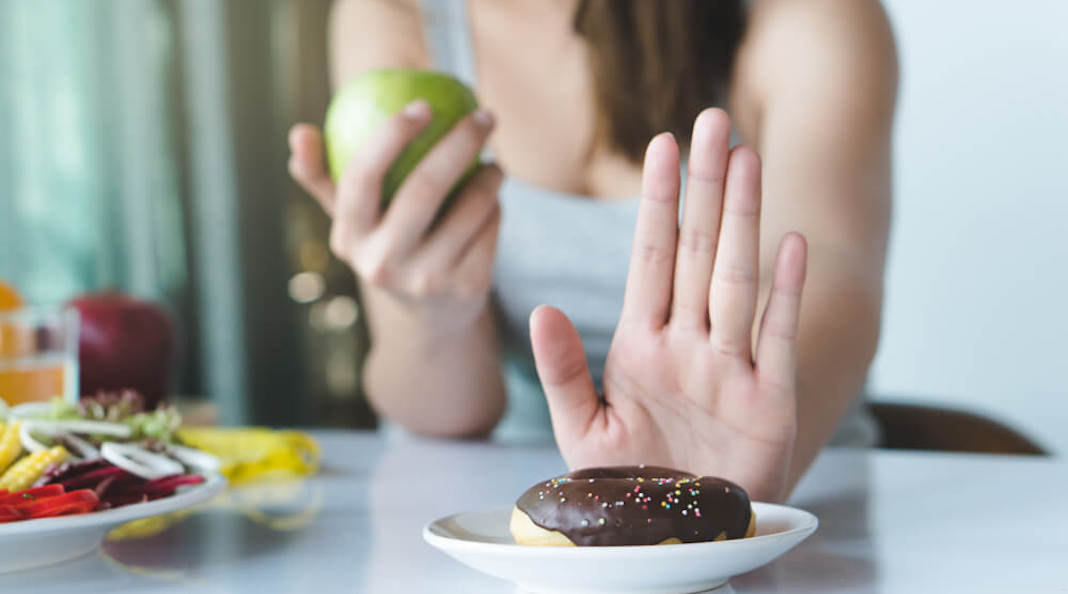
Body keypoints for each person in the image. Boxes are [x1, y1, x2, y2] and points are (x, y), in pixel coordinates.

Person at [288, 0, 897, 502]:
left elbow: (834, 277)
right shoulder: (396, 14)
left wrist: (724, 473)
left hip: (787, 499)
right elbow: (450, 417)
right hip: (508, 514)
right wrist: (430, 315)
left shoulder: (807, 16)